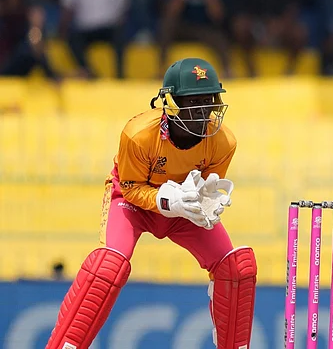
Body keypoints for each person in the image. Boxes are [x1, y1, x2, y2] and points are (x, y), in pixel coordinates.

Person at [45, 58, 257, 349]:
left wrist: (205, 204)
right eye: (193, 102)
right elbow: (130, 188)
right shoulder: (138, 135)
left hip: (184, 211)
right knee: (109, 266)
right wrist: (165, 200)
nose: (203, 112)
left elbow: (206, 187)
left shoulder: (223, 142)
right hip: (134, 205)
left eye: (208, 101)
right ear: (171, 104)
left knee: (237, 267)